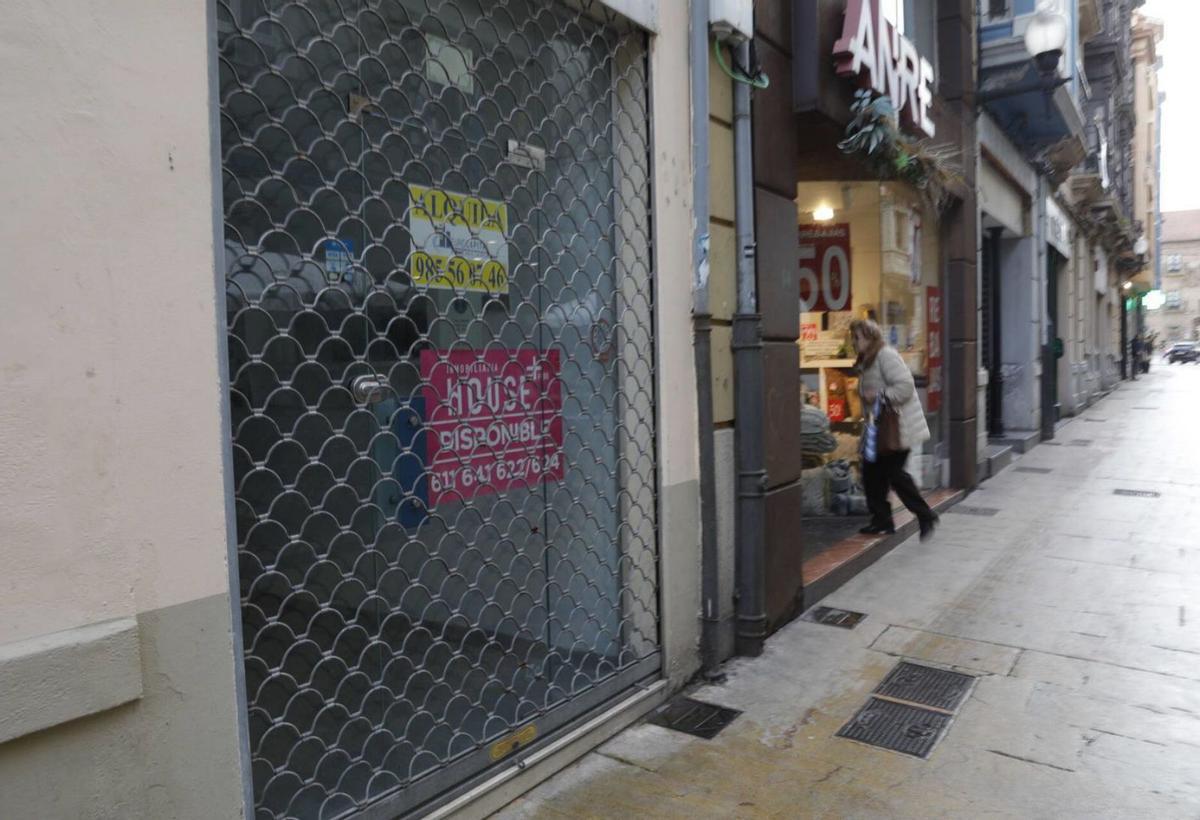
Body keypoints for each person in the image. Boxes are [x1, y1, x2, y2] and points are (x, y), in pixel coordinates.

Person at [851, 319, 939, 540]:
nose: (853, 342)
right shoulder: (867, 360)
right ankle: (881, 521)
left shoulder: (885, 355)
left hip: (898, 429)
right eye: (853, 337)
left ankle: (925, 515)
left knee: (894, 474)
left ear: (870, 337)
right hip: (878, 429)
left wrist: (879, 395)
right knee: (871, 474)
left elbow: (905, 387)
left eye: (857, 337)